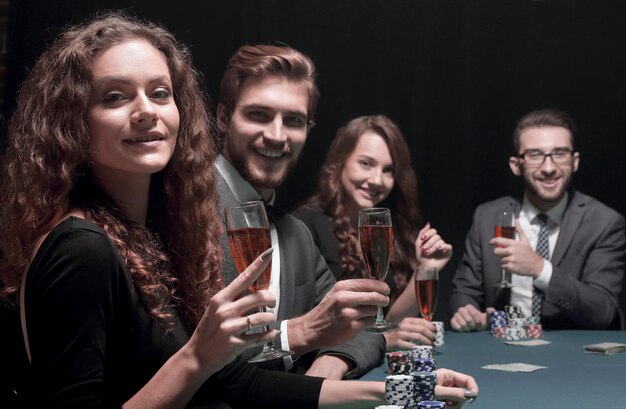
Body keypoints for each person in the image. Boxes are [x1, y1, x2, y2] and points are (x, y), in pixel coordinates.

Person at [0, 12, 479, 408]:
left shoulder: (147, 233)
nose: (146, 110)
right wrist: (201, 356)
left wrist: (400, 391)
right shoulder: (86, 246)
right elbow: (214, 370)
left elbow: (234, 381)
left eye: (160, 93)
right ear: (72, 122)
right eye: (114, 96)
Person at [214, 44, 391, 380]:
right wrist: (298, 335)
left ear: (308, 130)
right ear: (223, 117)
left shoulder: (297, 235)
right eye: (258, 115)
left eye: (293, 120)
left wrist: (331, 363)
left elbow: (366, 331)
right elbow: (184, 357)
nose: (277, 135)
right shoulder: (180, 207)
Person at [449, 108, 625, 331]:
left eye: (559, 153)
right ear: (516, 165)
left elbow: (603, 311)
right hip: (501, 349)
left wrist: (539, 269)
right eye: (535, 155)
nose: (549, 168)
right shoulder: (487, 216)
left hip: (575, 356)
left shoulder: (604, 222)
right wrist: (465, 311)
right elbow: (463, 291)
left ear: (575, 161)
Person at [293, 115, 453, 351]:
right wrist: (382, 339)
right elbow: (313, 328)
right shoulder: (305, 225)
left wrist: (426, 269)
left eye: (388, 170)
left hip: (370, 360)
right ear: (341, 162)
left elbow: (388, 322)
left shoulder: (385, 225)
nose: (377, 180)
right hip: (327, 366)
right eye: (366, 163)